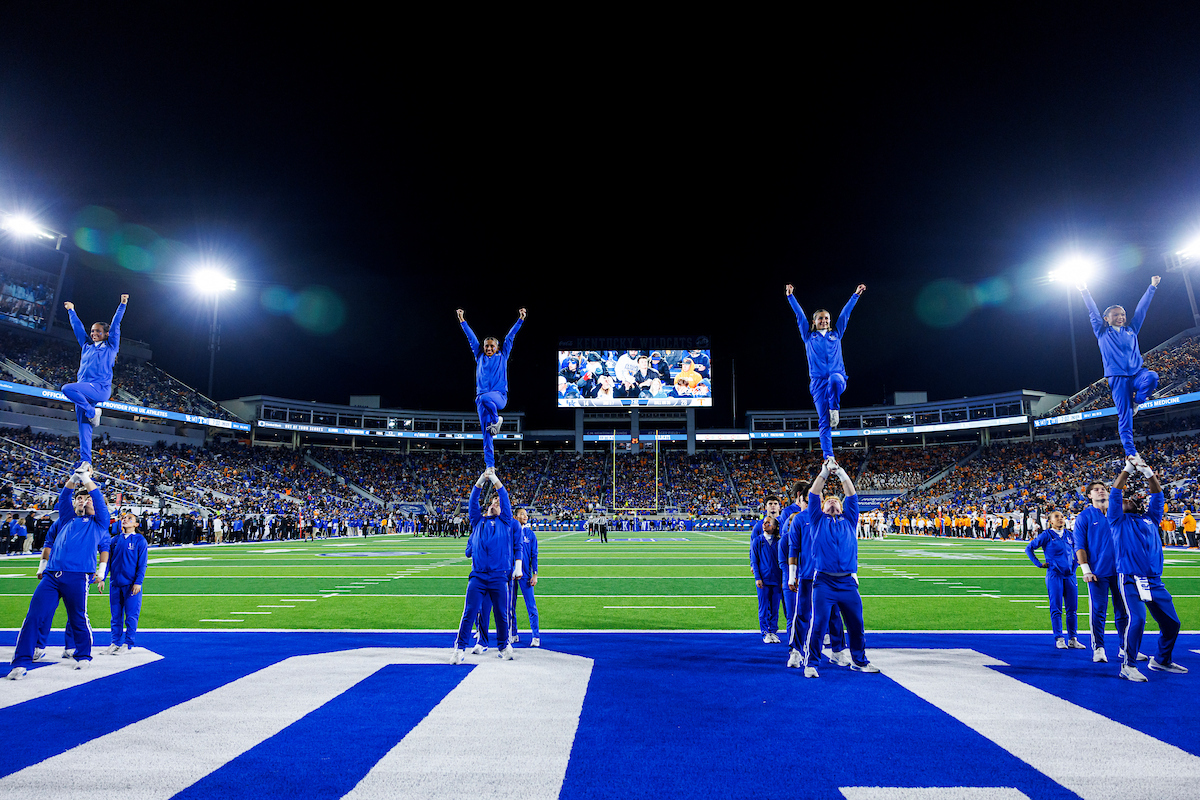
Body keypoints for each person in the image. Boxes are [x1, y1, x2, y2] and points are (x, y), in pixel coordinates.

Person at [7, 466, 110, 680]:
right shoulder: (65, 518)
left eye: (88, 500)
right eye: (81, 499)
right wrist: (74, 477)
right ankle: (21, 662)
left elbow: (98, 500)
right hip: (52, 576)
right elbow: (64, 496)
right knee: (34, 616)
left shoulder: (99, 523)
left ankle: (83, 655)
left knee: (78, 617)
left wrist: (86, 478)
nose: (85, 501)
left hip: (78, 576)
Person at [797, 456, 879, 677]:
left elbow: (851, 494)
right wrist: (825, 472)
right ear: (821, 507)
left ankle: (859, 661)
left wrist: (841, 473)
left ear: (842, 508)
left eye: (836, 501)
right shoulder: (817, 520)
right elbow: (813, 494)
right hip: (824, 582)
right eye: (828, 501)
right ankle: (811, 664)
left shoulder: (850, 520)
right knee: (819, 624)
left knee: (856, 624)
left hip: (847, 582)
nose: (832, 502)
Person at [1108, 456, 1187, 681]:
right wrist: (1127, 470)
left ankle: (1161, 660)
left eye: (1130, 499)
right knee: (1138, 619)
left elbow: (1158, 494)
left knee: (1172, 623)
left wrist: (1148, 473)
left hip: (1154, 580)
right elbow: (1115, 493)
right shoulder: (1117, 520)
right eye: (1125, 500)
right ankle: (1128, 665)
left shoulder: (1151, 517)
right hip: (1130, 578)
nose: (1127, 500)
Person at [1077, 277, 1160, 458]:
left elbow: (1141, 310)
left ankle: (1137, 402)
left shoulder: (1132, 330)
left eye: (1122, 314)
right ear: (1106, 319)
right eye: (1116, 315)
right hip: (1118, 379)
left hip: (1137, 373)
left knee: (1152, 377)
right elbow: (1092, 312)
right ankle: (1131, 452)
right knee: (1125, 416)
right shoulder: (1102, 332)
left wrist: (1152, 286)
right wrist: (1084, 291)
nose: (1121, 317)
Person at [785, 283, 866, 459]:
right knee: (824, 422)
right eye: (820, 318)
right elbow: (799, 315)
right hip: (818, 384)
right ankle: (829, 457)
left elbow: (845, 314)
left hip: (837, 379)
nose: (824, 321)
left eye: (827, 318)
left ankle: (834, 408)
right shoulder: (808, 337)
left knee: (835, 379)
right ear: (814, 322)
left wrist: (856, 295)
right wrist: (790, 296)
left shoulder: (836, 334)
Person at [452, 469, 522, 664]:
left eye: (498, 504)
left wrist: (496, 480)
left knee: (501, 614)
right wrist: (481, 479)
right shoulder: (478, 521)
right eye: (493, 503)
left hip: (499, 576)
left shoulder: (506, 522)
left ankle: (504, 646)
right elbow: (473, 501)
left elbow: (504, 496)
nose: (495, 505)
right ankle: (459, 648)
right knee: (470, 612)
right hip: (478, 576)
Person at [1074, 481, 1140, 664]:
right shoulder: (1084, 517)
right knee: (1098, 610)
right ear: (1089, 495)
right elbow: (1079, 545)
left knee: (1124, 611)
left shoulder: (1118, 513)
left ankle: (1125, 647)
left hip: (1122, 570)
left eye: (1103, 489)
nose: (1101, 491)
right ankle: (1099, 648)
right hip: (1097, 572)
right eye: (1096, 490)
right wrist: (1086, 570)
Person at [61, 294, 128, 471]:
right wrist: (71, 311)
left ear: (106, 334)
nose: (93, 334)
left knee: (66, 388)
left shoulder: (111, 347)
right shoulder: (86, 346)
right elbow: (77, 328)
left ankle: (93, 412)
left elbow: (116, 325)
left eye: (98, 331)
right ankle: (86, 462)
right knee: (84, 428)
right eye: (92, 331)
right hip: (85, 390)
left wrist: (122, 305)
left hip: (99, 389)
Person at [785, 481, 848, 669]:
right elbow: (793, 549)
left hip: (829, 575)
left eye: (820, 497)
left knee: (834, 614)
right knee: (802, 614)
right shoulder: (799, 519)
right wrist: (792, 575)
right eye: (812, 497)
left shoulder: (829, 518)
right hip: (807, 576)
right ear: (805, 499)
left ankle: (837, 651)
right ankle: (796, 651)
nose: (817, 500)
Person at [457, 307, 524, 470]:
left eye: (492, 346)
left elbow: (510, 336)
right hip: (482, 402)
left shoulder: (503, 355)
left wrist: (521, 319)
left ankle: (496, 420)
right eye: (486, 346)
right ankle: (490, 466)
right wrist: (462, 320)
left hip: (499, 398)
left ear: (497, 347)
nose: (488, 348)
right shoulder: (479, 356)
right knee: (486, 435)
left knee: (484, 398)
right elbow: (471, 338)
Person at [1025, 510, 1085, 650]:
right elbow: (1029, 548)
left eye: (1062, 517)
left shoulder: (1070, 535)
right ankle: (1059, 638)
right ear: (1050, 521)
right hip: (1054, 575)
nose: (1060, 519)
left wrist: (1075, 566)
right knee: (1056, 608)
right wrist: (1039, 564)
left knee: (1072, 609)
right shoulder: (1046, 535)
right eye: (1057, 517)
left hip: (1070, 576)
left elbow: (1078, 550)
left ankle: (1073, 638)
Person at [104, 510, 148, 655]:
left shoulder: (140, 540)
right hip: (115, 583)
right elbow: (108, 562)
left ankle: (128, 643)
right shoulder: (115, 540)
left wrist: (138, 582)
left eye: (130, 518)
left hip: (131, 585)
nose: (125, 520)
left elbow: (142, 564)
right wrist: (102, 578)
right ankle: (115, 642)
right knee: (115, 616)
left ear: (136, 524)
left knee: (131, 615)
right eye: (124, 518)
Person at [509, 508, 540, 647]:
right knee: (510, 606)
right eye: (522, 514)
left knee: (531, 606)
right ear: (515, 517)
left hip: (526, 575)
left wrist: (535, 574)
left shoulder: (530, 534)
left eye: (526, 514)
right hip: (510, 575)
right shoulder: (509, 533)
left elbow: (534, 555)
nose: (525, 516)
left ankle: (535, 636)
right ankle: (513, 634)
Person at [750, 514, 784, 643]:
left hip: (776, 579)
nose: (764, 524)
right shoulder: (757, 541)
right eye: (764, 522)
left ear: (774, 526)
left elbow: (783, 561)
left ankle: (773, 632)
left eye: (768, 523)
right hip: (763, 580)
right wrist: (757, 577)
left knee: (775, 608)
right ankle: (765, 632)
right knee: (763, 607)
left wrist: (783, 579)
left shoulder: (779, 541)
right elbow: (754, 561)